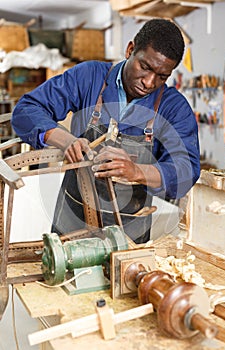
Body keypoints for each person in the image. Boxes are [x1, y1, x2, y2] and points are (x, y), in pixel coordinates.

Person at [11, 18, 200, 243]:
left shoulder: (174, 108)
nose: (149, 82)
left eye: (162, 76)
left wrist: (137, 171)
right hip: (71, 222)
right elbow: (26, 110)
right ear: (130, 49)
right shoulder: (89, 77)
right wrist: (65, 139)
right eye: (145, 67)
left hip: (129, 234)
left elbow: (187, 168)